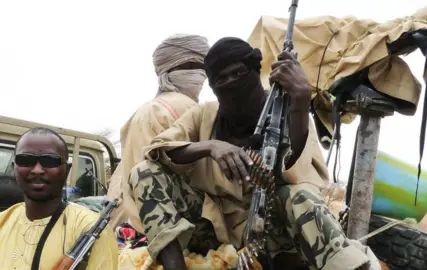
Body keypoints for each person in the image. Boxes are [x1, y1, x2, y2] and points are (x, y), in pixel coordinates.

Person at [127, 37, 380, 270]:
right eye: (220, 80)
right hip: (215, 230)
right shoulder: (204, 114)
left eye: (237, 74)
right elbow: (157, 150)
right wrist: (212, 147)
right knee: (144, 173)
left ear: (255, 71)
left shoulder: (285, 111)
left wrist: (301, 101)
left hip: (272, 230)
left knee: (300, 197)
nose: (230, 84)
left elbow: (299, 168)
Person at [106, 33, 210, 232]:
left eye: (202, 68)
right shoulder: (189, 109)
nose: (200, 76)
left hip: (134, 227)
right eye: (194, 67)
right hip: (175, 227)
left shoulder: (140, 112)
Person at [0, 127, 118, 269]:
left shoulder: (90, 228)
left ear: (67, 170)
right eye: (26, 160)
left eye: (50, 161)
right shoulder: (3, 221)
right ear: (14, 167)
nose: (37, 170)